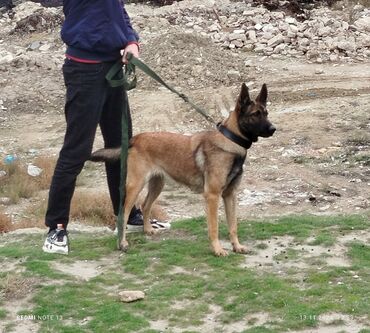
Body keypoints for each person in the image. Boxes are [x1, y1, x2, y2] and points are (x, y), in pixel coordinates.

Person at [43, 0, 169, 255]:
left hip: (113, 68)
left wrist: (131, 40)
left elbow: (117, 11)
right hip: (84, 71)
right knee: (76, 151)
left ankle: (126, 215)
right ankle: (56, 228)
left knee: (122, 147)